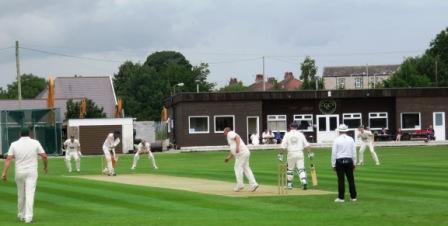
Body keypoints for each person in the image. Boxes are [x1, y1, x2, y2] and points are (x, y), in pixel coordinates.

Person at [2, 127, 48, 223]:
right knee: (29, 194)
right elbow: (44, 156)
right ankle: (28, 217)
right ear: (29, 134)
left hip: (19, 172)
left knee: (21, 194)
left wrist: (4, 172)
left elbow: (8, 159)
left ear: (20, 134)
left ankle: (21, 215)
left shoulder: (14, 144)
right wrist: (45, 167)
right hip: (31, 172)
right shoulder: (35, 142)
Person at [223, 127, 259, 192]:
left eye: (224, 132)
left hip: (241, 154)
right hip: (244, 153)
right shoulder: (230, 138)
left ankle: (240, 185)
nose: (223, 133)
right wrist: (228, 158)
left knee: (237, 167)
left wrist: (237, 147)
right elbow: (232, 150)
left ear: (226, 131)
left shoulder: (230, 133)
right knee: (246, 169)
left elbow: (237, 138)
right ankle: (254, 184)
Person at [281, 123, 311, 190]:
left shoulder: (287, 134)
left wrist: (281, 154)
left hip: (291, 153)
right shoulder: (301, 134)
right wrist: (309, 154)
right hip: (300, 153)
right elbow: (306, 145)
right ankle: (303, 181)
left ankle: (289, 185)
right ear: (297, 127)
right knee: (301, 169)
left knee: (290, 169)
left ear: (290, 127)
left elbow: (283, 146)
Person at [331, 124, 357, 203]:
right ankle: (353, 197)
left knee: (341, 180)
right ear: (346, 131)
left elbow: (334, 153)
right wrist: (354, 163)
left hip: (339, 161)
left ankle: (341, 198)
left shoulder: (336, 140)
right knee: (351, 179)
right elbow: (354, 152)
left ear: (339, 131)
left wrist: (333, 164)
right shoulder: (351, 139)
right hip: (349, 161)